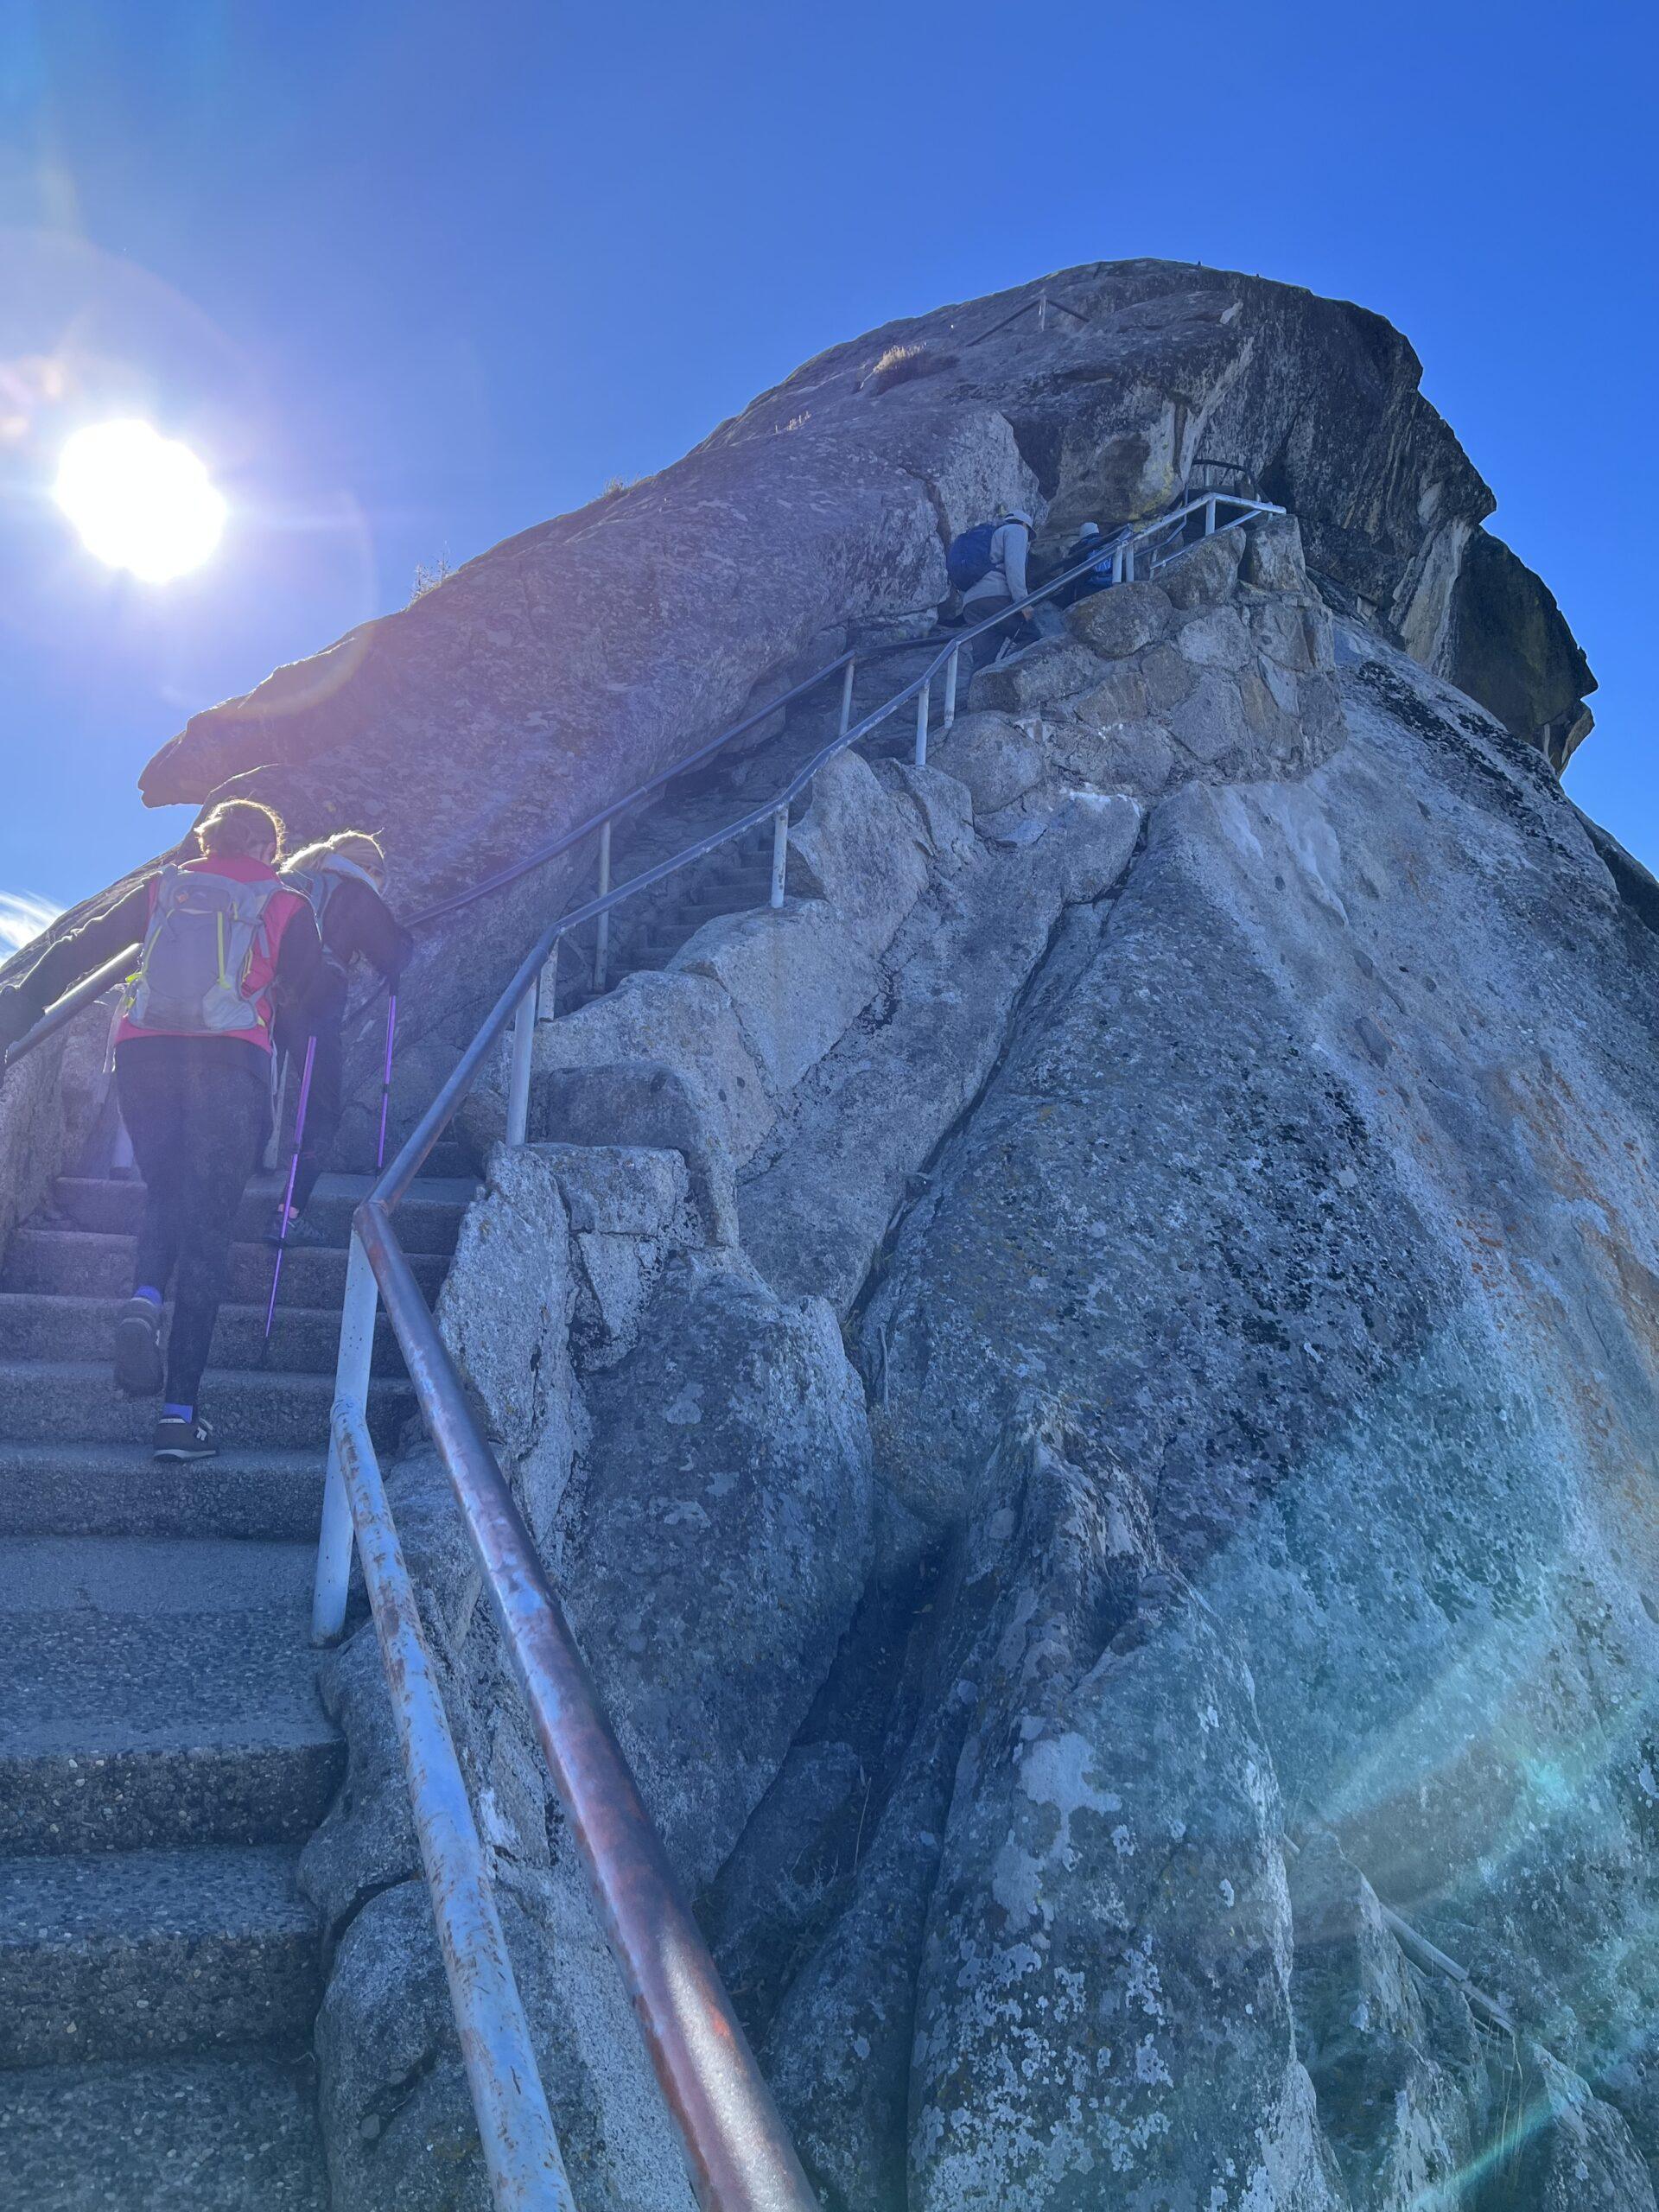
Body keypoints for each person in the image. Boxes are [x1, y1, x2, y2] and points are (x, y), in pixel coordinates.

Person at [0, 799, 320, 1461]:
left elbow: (77, 948)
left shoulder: (162, 889)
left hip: (144, 1055)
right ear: (268, 846)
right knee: (207, 1227)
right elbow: (317, 994)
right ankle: (179, 1417)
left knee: (165, 1189)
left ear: (206, 838)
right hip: (231, 1063)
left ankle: (144, 1298)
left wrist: (20, 1005)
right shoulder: (285, 901)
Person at [267, 831, 413, 1244]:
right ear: (370, 869)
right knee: (321, 1110)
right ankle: (289, 1212)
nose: (381, 883)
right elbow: (392, 957)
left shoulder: (289, 882)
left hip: (258, 1000)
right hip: (313, 1007)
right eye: (381, 874)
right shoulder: (355, 892)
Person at [957, 505, 1039, 672]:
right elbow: (1014, 567)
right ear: (1025, 526)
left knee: (983, 661)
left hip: (971, 604)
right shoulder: (1016, 530)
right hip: (996, 598)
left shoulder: (987, 537)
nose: (1028, 540)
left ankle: (975, 697)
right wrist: (1023, 602)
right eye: (1029, 536)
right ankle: (1006, 675)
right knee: (1033, 638)